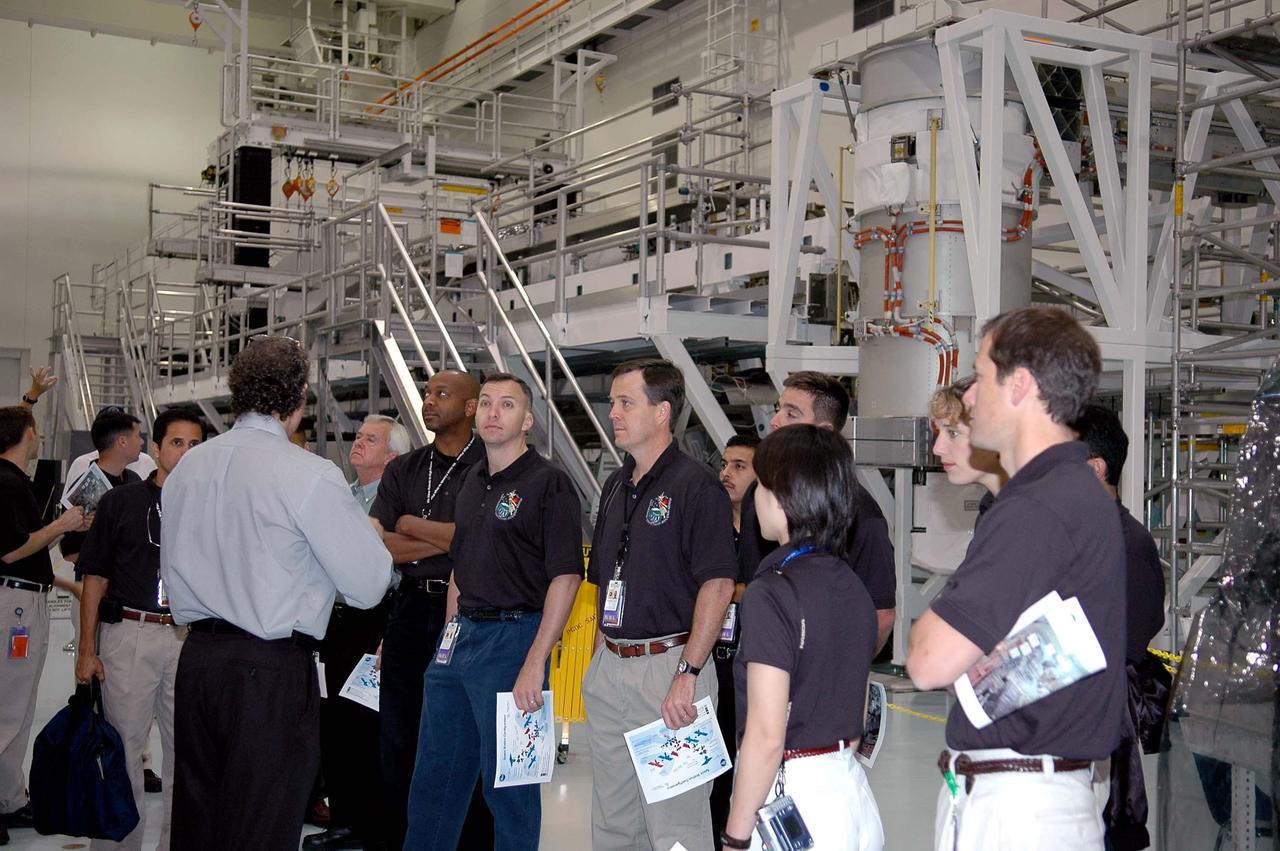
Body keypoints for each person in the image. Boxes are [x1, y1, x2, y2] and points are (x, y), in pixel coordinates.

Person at [159, 336, 393, 851]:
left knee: (199, 819)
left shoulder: (187, 469)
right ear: (298, 400)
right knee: (262, 824)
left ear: (237, 394)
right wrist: (367, 538)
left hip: (198, 660)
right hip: (267, 670)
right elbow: (370, 584)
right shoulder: (307, 473)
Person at [906, 306, 1127, 851]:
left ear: (1020, 385)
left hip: (1020, 815)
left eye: (981, 376)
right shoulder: (1069, 492)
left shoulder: (1036, 507)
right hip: (1028, 796)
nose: (972, 395)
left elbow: (928, 661)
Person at [404, 374, 583, 850]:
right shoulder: (470, 481)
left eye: (506, 405)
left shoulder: (551, 484)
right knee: (434, 780)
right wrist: (447, 641)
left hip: (514, 640)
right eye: (485, 403)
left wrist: (534, 662)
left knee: (510, 789)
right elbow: (461, 566)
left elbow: (566, 577)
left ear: (527, 420)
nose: (492, 412)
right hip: (461, 638)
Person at [583, 358, 737, 851]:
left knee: (676, 824)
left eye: (626, 402)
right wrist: (597, 659)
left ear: (662, 412)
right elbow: (605, 581)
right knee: (613, 821)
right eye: (612, 403)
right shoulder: (615, 485)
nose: (614, 413)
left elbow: (718, 584)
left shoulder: (697, 486)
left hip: (671, 669)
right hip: (612, 664)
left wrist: (688, 673)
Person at [722, 424, 884, 851]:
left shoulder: (772, 591)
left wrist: (735, 837)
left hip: (794, 802)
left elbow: (766, 733)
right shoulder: (851, 585)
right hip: (851, 795)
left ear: (782, 494)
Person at [367, 370, 491, 849]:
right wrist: (445, 539)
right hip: (410, 609)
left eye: (442, 393)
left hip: (468, 611)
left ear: (469, 407)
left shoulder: (488, 465)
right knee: (399, 731)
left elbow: (479, 544)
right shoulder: (406, 468)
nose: (428, 400)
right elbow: (378, 542)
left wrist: (412, 525)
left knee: (465, 732)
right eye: (426, 393)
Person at [73, 408, 207, 851]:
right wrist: (86, 650)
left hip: (191, 639)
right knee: (123, 748)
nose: (187, 452)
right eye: (177, 443)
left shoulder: (214, 505)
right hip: (131, 633)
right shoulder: (121, 502)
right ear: (155, 448)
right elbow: (93, 577)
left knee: (186, 754)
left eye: (195, 444)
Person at [305, 415, 410, 851]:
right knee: (334, 723)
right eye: (359, 436)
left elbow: (402, 566)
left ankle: (371, 825)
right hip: (335, 621)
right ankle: (343, 818)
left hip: (376, 619)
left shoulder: (397, 504)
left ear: (392, 455)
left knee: (369, 726)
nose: (359, 443)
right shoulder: (342, 497)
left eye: (371, 439)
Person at [738, 372, 896, 651]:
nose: (775, 421)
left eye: (791, 413)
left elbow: (880, 615)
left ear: (822, 431)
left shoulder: (862, 514)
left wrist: (840, 673)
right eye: (778, 409)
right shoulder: (757, 496)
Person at [1070, 404, 1166, 851]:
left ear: (1094, 468)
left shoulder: (1128, 547)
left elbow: (1123, 647)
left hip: (1099, 747)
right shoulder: (1068, 537)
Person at [0, 406, 88, 841]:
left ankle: (10, 797)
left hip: (25, 598)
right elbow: (10, 551)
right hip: (13, 604)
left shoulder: (16, 484)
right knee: (8, 705)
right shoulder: (5, 483)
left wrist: (60, 532)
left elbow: (27, 551)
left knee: (20, 703)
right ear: (28, 435)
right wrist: (61, 524)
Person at [711, 432, 759, 849]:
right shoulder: (710, 527)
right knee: (713, 771)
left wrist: (728, 588)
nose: (726, 473)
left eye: (739, 466)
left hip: (758, 665)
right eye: (725, 464)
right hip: (714, 663)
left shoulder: (771, 532)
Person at [60, 408, 147, 568]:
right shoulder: (87, 491)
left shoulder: (134, 480)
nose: (142, 442)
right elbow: (70, 550)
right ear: (122, 441)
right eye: (137, 435)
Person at [928, 378, 1008, 511]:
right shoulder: (990, 508)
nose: (937, 449)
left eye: (953, 433)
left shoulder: (1030, 515)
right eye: (938, 432)